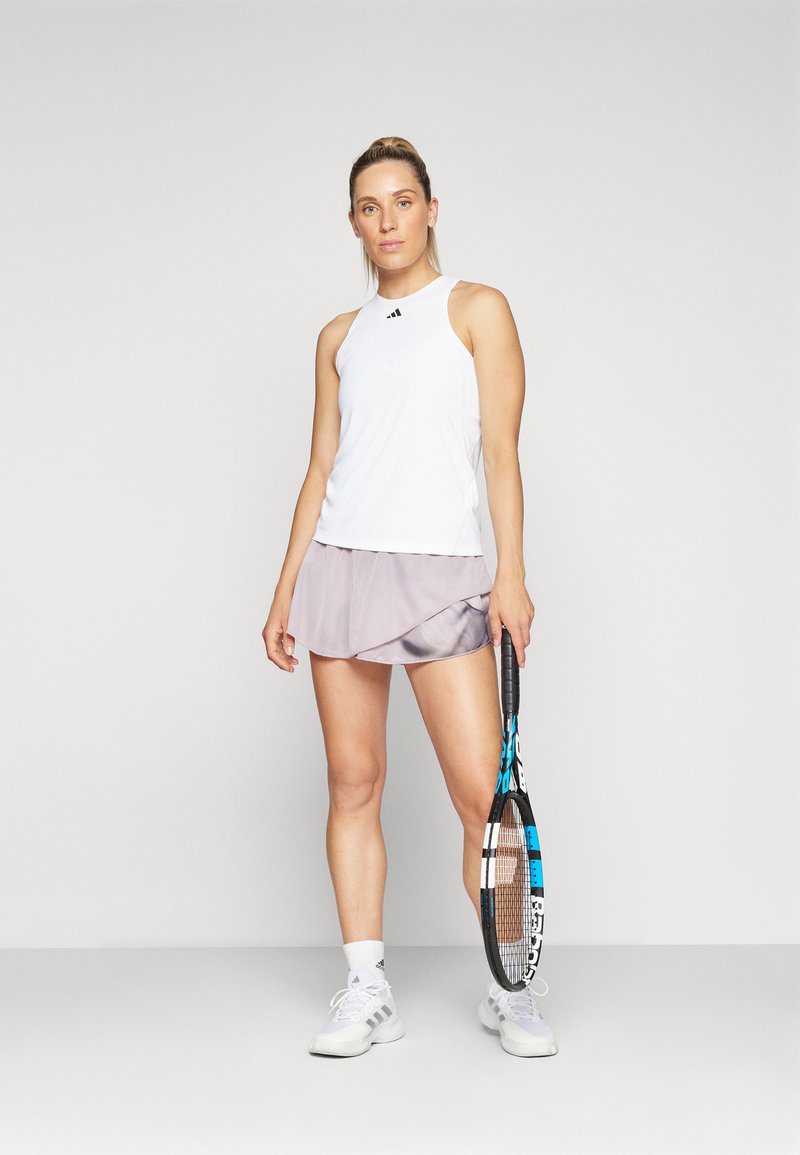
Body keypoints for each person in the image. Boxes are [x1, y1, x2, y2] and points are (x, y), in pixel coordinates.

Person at [262, 136, 557, 1059]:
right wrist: (286, 589)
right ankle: (367, 988)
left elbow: (501, 451)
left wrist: (510, 573)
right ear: (353, 222)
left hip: (441, 572)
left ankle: (511, 988)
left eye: (401, 201)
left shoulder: (477, 309)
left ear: (432, 209)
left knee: (482, 799)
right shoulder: (338, 338)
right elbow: (321, 467)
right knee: (353, 783)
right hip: (341, 570)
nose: (386, 220)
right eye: (368, 206)